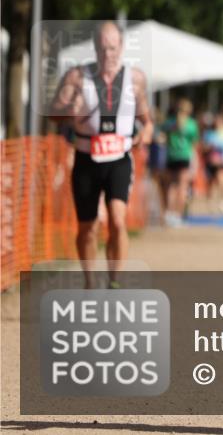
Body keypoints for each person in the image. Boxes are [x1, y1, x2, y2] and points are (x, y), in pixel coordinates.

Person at [49, 21, 154, 288]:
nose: (108, 54)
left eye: (113, 48)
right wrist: (71, 109)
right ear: (95, 47)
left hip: (119, 158)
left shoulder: (135, 78)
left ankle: (115, 281)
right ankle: (89, 281)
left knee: (118, 222)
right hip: (86, 157)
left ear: (121, 47)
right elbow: (54, 113)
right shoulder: (76, 76)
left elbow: (147, 120)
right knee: (87, 227)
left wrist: (145, 133)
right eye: (102, 48)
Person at [161, 98, 199, 226]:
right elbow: (194, 144)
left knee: (171, 187)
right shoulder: (192, 125)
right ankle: (178, 215)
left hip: (171, 156)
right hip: (184, 157)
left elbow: (162, 137)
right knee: (182, 187)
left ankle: (169, 213)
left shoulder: (169, 123)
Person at [201, 111, 223, 215]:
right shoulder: (208, 133)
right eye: (217, 121)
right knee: (211, 183)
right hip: (210, 162)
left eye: (220, 121)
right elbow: (203, 147)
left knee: (222, 180)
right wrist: (209, 148)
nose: (218, 123)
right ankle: (210, 202)